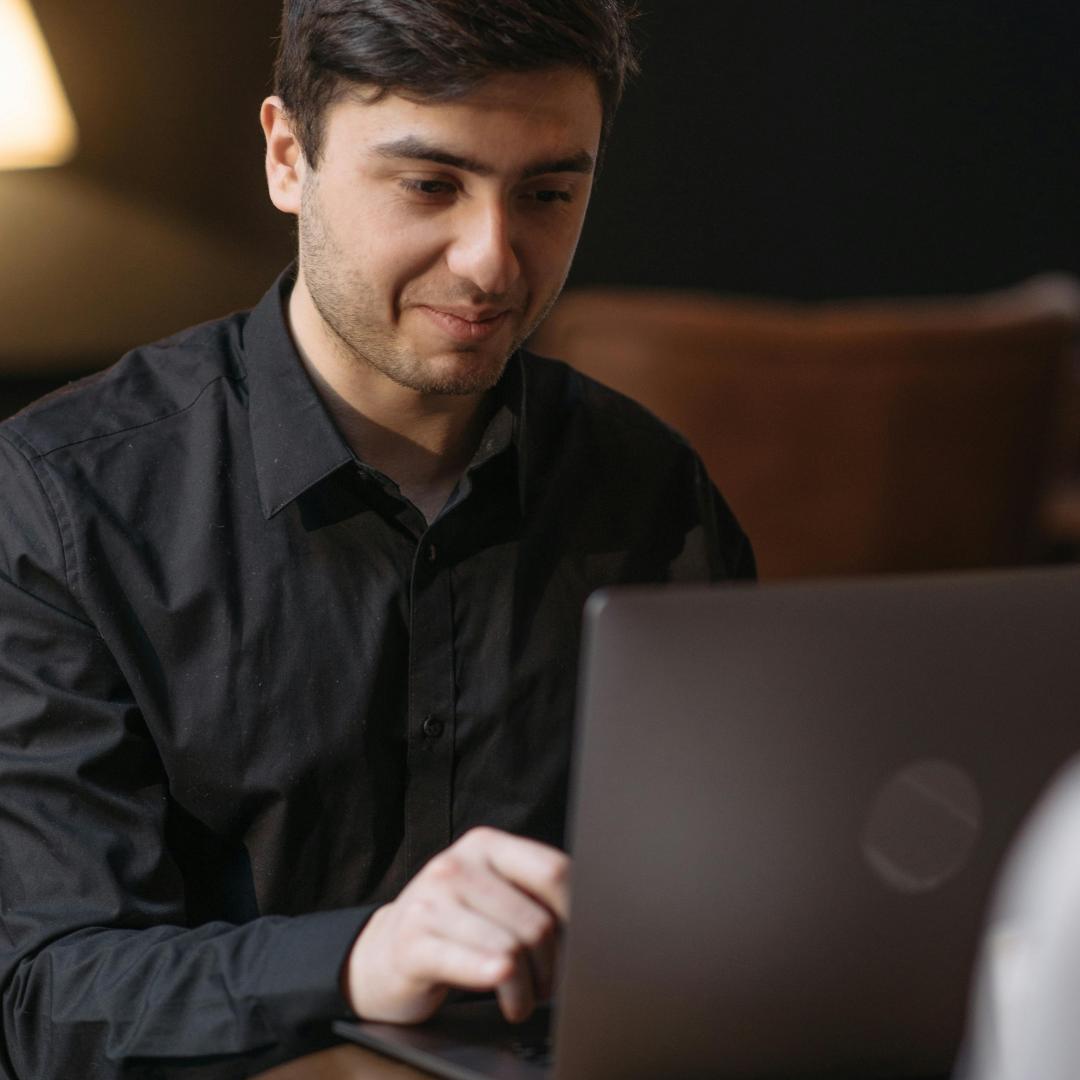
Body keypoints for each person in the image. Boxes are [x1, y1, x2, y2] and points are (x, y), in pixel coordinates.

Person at [0, 1, 754, 1076]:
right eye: (430, 185)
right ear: (286, 157)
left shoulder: (652, 489)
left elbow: (733, 904)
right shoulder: (62, 504)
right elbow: (48, 997)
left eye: (547, 194)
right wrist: (361, 955)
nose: (493, 262)